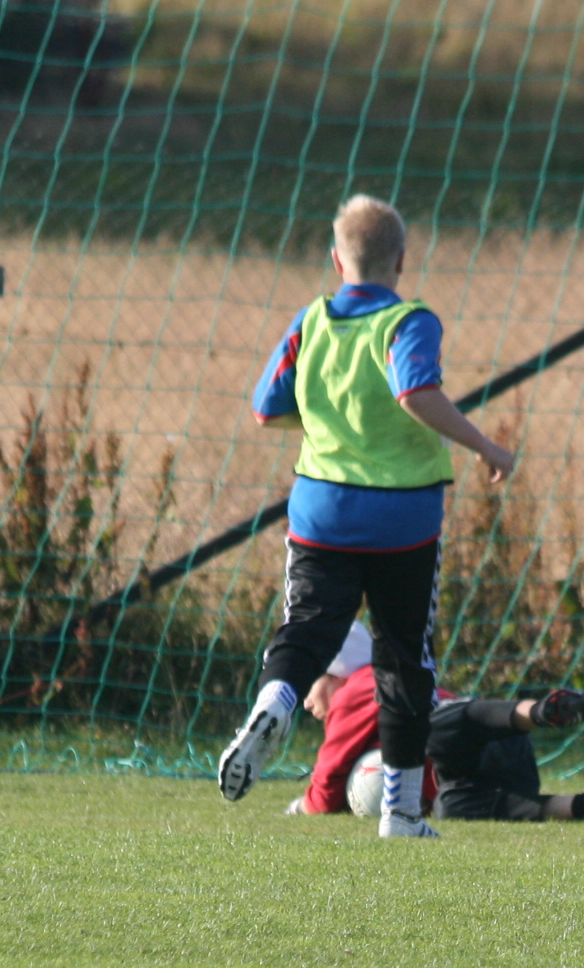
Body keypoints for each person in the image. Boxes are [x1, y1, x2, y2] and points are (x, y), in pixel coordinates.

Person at [214, 194, 518, 837]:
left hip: (322, 510)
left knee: (307, 631)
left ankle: (275, 704)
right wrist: (484, 446)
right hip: (402, 518)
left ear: (336, 260)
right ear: (401, 260)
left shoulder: (311, 322)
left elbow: (267, 409)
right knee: (404, 657)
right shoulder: (409, 321)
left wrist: (333, 421)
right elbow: (414, 391)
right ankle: (401, 813)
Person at [284, 625, 584, 823]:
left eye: (308, 684)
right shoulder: (380, 685)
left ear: (335, 671)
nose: (306, 701)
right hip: (498, 759)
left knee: (436, 728)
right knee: (452, 808)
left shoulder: (359, 688)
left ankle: (542, 711)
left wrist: (301, 807)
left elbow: (328, 782)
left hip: (479, 737)